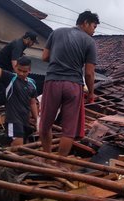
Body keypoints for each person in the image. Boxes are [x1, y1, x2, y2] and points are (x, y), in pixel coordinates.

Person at [39, 10, 99, 163]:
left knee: (45, 124)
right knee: (69, 129)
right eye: (93, 26)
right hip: (73, 85)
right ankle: (60, 163)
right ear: (85, 23)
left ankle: (47, 159)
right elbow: (89, 73)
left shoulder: (56, 32)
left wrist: (59, 60)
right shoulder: (89, 42)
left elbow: (45, 57)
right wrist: (91, 92)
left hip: (53, 81)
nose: (93, 31)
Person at [0, 35, 39, 146]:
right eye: (19, 70)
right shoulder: (9, 78)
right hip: (13, 120)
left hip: (25, 121)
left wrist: (37, 120)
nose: (21, 73)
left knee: (22, 148)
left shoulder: (32, 83)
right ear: (16, 67)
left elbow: (33, 102)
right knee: (18, 146)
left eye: (25, 71)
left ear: (30, 70)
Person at [0, 31, 39, 106]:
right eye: (33, 42)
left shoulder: (21, 44)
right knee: (5, 89)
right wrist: (19, 76)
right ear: (28, 39)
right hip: (0, 68)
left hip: (5, 68)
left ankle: (2, 106)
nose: (33, 44)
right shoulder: (18, 45)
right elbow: (14, 62)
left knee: (7, 88)